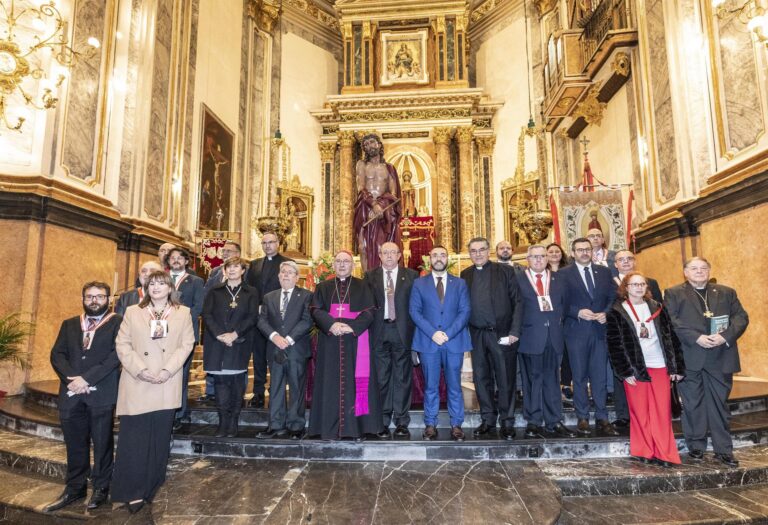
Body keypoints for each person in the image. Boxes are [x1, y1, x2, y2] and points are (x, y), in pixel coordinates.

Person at [112, 270, 195, 513]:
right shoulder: (132, 311)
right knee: (133, 439)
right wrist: (140, 370)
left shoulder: (184, 313)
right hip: (138, 381)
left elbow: (186, 344)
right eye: (152, 284)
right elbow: (122, 344)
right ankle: (129, 490)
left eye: (161, 283)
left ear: (170, 288)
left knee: (158, 440)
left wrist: (168, 370)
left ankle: (150, 488)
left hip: (166, 382)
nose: (156, 287)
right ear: (146, 288)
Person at [45, 282, 122, 513]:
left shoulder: (118, 323)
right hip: (71, 394)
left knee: (102, 443)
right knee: (74, 444)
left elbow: (116, 355)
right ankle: (74, 488)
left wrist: (87, 379)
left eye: (99, 296)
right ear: (83, 299)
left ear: (109, 299)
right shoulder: (69, 324)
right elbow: (57, 354)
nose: (94, 300)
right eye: (89, 296)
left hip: (101, 392)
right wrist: (72, 380)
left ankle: (101, 487)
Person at [665, 257, 749, 467]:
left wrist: (725, 336)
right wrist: (696, 337)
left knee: (719, 405)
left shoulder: (726, 292)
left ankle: (724, 450)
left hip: (721, 356)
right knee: (693, 405)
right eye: (694, 268)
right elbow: (671, 321)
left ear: (709, 270)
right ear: (685, 272)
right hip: (691, 355)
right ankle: (696, 446)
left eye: (703, 268)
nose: (699, 271)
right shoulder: (673, 293)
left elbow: (741, 318)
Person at [607, 272, 685, 466]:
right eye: (634, 285)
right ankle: (643, 450)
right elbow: (614, 345)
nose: (639, 287)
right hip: (635, 369)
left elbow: (670, 338)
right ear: (626, 288)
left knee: (661, 411)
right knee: (639, 411)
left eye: (642, 284)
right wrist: (624, 372)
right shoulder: (617, 311)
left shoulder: (658, 307)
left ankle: (664, 453)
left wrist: (676, 366)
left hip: (659, 365)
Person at [309, 251, 380, 440]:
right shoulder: (323, 287)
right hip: (330, 340)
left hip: (355, 342)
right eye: (338, 261)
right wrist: (331, 324)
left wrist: (351, 327)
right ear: (333, 265)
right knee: (330, 382)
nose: (342, 264)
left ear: (352, 265)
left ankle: (357, 427)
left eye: (346, 261)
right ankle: (328, 427)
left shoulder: (363, 285)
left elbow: (370, 311)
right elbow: (315, 310)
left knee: (356, 383)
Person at [460, 237, 522, 440]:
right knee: (481, 378)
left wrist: (514, 331)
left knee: (505, 379)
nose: (477, 254)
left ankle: (506, 421)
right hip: (476, 334)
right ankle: (487, 419)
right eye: (473, 251)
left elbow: (518, 302)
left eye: (481, 250)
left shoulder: (505, 271)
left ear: (489, 252)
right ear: (469, 253)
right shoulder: (465, 274)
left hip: (501, 334)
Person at [410, 246, 472, 441]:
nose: (438, 258)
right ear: (430, 259)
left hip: (453, 342)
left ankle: (456, 425)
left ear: (448, 258)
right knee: (430, 386)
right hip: (429, 343)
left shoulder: (460, 283)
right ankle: (430, 424)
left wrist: (448, 334)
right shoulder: (419, 284)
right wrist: (433, 333)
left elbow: (465, 312)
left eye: (442, 255)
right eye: (435, 255)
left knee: (454, 386)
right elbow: (414, 312)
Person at [560, 237, 619, 437]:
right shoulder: (563, 274)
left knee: (599, 376)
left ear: (592, 252)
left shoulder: (603, 272)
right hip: (576, 331)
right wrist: (576, 312)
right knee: (579, 376)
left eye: (587, 249)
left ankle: (602, 417)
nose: (584, 253)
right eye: (580, 250)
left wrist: (606, 313)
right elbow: (559, 302)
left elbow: (614, 296)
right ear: (573, 252)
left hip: (599, 330)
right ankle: (583, 417)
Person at [516, 246, 575, 439]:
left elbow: (565, 306)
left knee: (552, 380)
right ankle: (533, 421)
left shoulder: (559, 279)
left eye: (542, 256)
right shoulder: (518, 279)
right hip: (530, 337)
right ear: (528, 259)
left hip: (554, 336)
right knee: (532, 380)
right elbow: (514, 308)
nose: (539, 260)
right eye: (535, 257)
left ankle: (554, 421)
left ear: (547, 258)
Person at [364, 242, 418, 438]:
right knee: (381, 378)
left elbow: (416, 306)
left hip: (402, 331)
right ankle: (383, 420)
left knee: (403, 378)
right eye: (384, 252)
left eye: (392, 252)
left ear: (399, 255)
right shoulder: (370, 276)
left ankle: (402, 421)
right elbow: (367, 305)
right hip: (379, 331)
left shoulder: (411, 276)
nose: (388, 256)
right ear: (379, 255)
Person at [202, 257, 259, 437]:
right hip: (217, 342)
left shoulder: (251, 292)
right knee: (220, 383)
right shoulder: (214, 290)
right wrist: (220, 334)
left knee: (236, 384)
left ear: (243, 270)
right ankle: (222, 422)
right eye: (229, 267)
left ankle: (233, 421)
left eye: (236, 267)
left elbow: (252, 317)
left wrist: (234, 334)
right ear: (224, 270)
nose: (232, 270)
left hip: (239, 342)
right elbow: (207, 314)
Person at [256, 261, 313, 439]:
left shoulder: (306, 296)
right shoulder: (269, 297)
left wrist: (288, 339)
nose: (286, 275)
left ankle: (296, 426)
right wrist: (274, 336)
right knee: (275, 387)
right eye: (283, 272)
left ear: (297, 277)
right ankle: (275, 425)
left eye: (290, 272)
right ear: (279, 276)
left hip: (296, 348)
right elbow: (261, 321)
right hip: (274, 348)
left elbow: (307, 320)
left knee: (297, 387)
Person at [610, 249, 663, 429]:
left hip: (650, 341)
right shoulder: (609, 283)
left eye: (629, 259)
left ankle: (650, 413)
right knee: (623, 375)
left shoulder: (650, 283)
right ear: (615, 264)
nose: (625, 262)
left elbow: (659, 310)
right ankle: (624, 415)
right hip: (624, 339)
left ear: (635, 261)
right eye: (621, 260)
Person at [246, 232, 293, 408]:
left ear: (278, 243)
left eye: (271, 242)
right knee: (258, 356)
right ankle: (258, 392)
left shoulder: (287, 263)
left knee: (276, 356)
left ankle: (276, 390)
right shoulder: (254, 264)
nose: (267, 245)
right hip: (259, 318)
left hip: (279, 318)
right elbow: (250, 290)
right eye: (264, 242)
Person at [200, 240, 242, 403]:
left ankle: (237, 393)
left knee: (237, 360)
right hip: (215, 324)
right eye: (223, 251)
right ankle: (211, 391)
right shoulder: (215, 272)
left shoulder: (245, 271)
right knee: (213, 357)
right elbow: (206, 294)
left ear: (238, 255)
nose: (224, 254)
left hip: (236, 325)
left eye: (228, 251)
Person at [353, 133, 402, 272]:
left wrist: (382, 206)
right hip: (365, 207)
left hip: (384, 211)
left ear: (379, 145)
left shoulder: (389, 168)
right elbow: (361, 188)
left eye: (372, 142)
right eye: (366, 144)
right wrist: (373, 205)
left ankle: (382, 278)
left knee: (382, 246)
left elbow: (393, 194)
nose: (369, 146)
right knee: (363, 247)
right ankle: (367, 278)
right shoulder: (362, 164)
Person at [167, 248, 204, 430]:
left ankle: (179, 414)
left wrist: (181, 322)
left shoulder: (196, 281)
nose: (175, 261)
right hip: (162, 334)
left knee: (181, 374)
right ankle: (164, 410)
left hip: (185, 333)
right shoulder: (161, 280)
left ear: (186, 262)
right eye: (172, 258)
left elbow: (199, 307)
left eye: (179, 258)